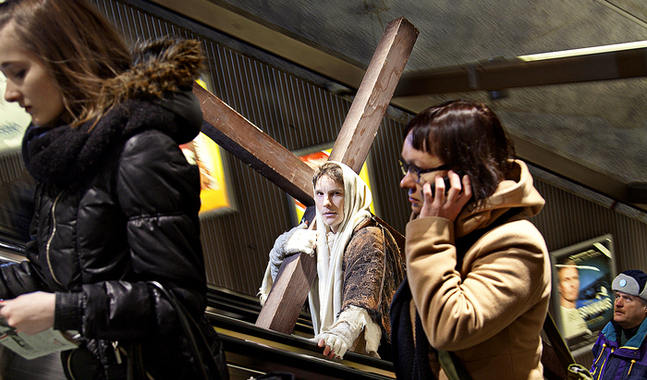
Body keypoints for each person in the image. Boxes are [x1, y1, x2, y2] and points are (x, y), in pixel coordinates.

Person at [0, 0, 228, 379]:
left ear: (67, 61)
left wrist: (62, 310)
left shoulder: (142, 151)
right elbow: (53, 275)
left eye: (18, 72)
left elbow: (177, 302)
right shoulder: (62, 153)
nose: (9, 93)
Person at [390, 99, 551, 379]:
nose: (406, 181)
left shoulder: (518, 244)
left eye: (418, 170)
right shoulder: (454, 229)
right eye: (405, 166)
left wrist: (430, 231)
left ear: (463, 173)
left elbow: (447, 328)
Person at [258, 161, 405, 360]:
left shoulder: (368, 235)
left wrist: (339, 335)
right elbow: (283, 291)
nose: (326, 202)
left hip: (376, 355)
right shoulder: (320, 237)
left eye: (336, 193)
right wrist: (281, 248)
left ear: (352, 195)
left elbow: (362, 298)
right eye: (320, 194)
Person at [590, 270, 647, 379]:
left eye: (627, 298)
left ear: (645, 307)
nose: (618, 303)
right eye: (617, 296)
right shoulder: (606, 337)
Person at [557, 262, 591, 339]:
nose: (572, 284)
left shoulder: (578, 312)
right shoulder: (560, 320)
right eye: (566, 279)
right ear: (558, 286)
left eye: (575, 278)